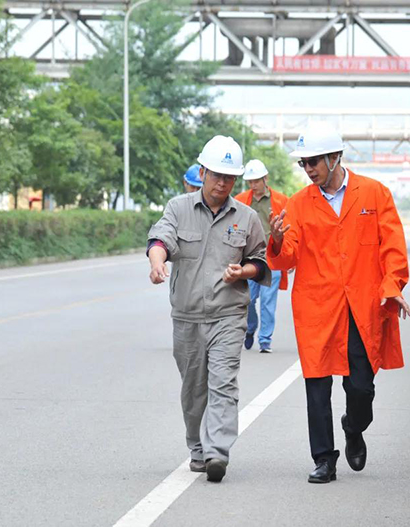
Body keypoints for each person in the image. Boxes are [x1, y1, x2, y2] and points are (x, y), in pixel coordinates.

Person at [267, 123, 410, 484]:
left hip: (361, 305)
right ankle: (323, 459)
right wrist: (277, 240)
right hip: (317, 306)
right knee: (316, 382)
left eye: (313, 161)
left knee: (361, 387)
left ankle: (354, 426)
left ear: (335, 157)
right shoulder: (299, 204)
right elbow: (287, 257)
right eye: (303, 163)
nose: (308, 169)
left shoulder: (374, 194)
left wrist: (392, 284)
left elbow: (393, 247)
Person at [147, 135, 271, 483]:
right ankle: (198, 448)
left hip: (228, 315)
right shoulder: (178, 208)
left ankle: (217, 451)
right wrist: (157, 263)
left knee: (223, 383)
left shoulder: (247, 217)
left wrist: (243, 271)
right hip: (187, 316)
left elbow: (260, 262)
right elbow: (160, 240)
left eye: (229, 177)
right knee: (194, 390)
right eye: (217, 175)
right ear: (202, 172)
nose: (222, 183)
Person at [234, 159, 289, 354]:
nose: (253, 185)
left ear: (265, 178)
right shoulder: (240, 200)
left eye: (256, 181)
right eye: (250, 181)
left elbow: (288, 229)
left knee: (267, 302)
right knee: (246, 299)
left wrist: (288, 255)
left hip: (272, 259)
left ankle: (265, 340)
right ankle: (250, 327)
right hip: (249, 259)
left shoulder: (281, 201)